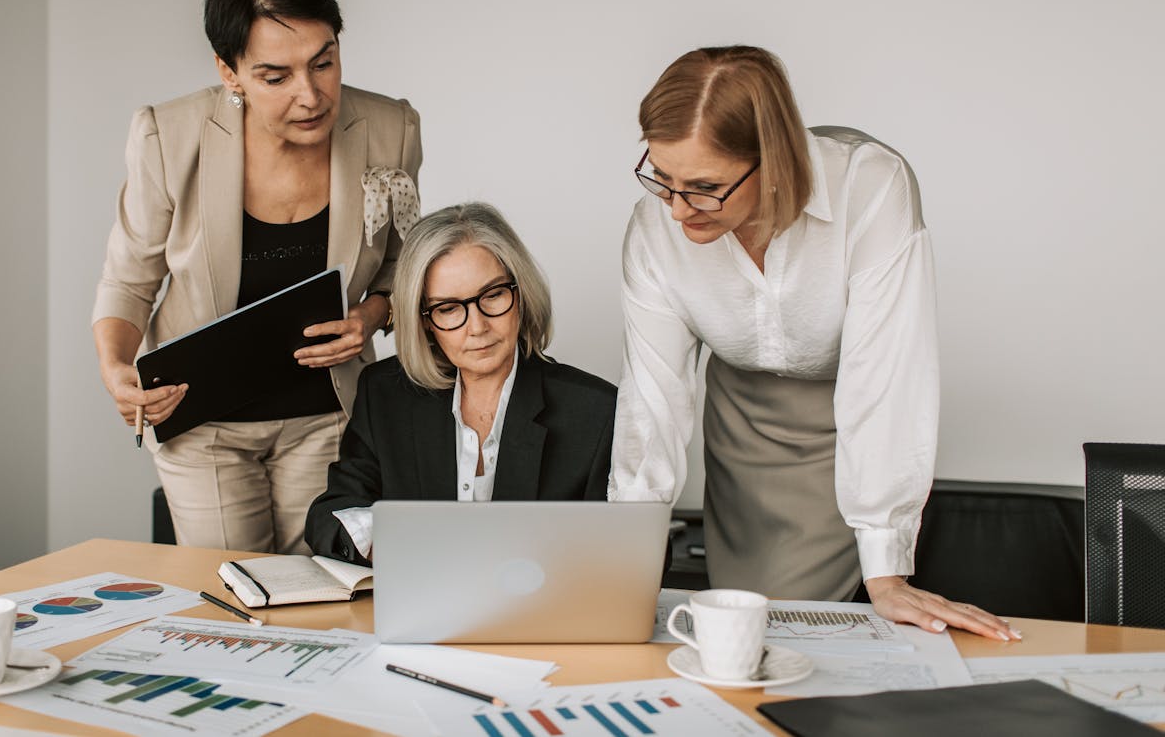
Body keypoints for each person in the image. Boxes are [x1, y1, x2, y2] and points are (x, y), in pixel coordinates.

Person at [610, 45, 1018, 640]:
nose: (676, 210)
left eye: (704, 187)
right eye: (661, 178)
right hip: (743, 422)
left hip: (849, 412)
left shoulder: (870, 187)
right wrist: (627, 559)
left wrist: (887, 569)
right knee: (747, 622)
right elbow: (653, 399)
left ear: (771, 160)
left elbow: (885, 376)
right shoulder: (653, 230)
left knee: (807, 630)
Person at [92, 0, 422, 555]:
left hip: (329, 413)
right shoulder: (168, 136)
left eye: (324, 62)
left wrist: (369, 318)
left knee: (325, 591)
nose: (311, 95)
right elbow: (129, 280)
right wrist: (117, 369)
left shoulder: (390, 126)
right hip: (202, 421)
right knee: (236, 598)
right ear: (230, 71)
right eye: (276, 76)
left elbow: (405, 269)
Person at [306, 202, 615, 564]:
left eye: (493, 295)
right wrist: (383, 538)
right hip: (417, 611)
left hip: (540, 613)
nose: (478, 326)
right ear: (424, 319)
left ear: (521, 294)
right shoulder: (385, 393)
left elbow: (641, 551)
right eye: (449, 308)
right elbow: (330, 513)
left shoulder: (596, 411)